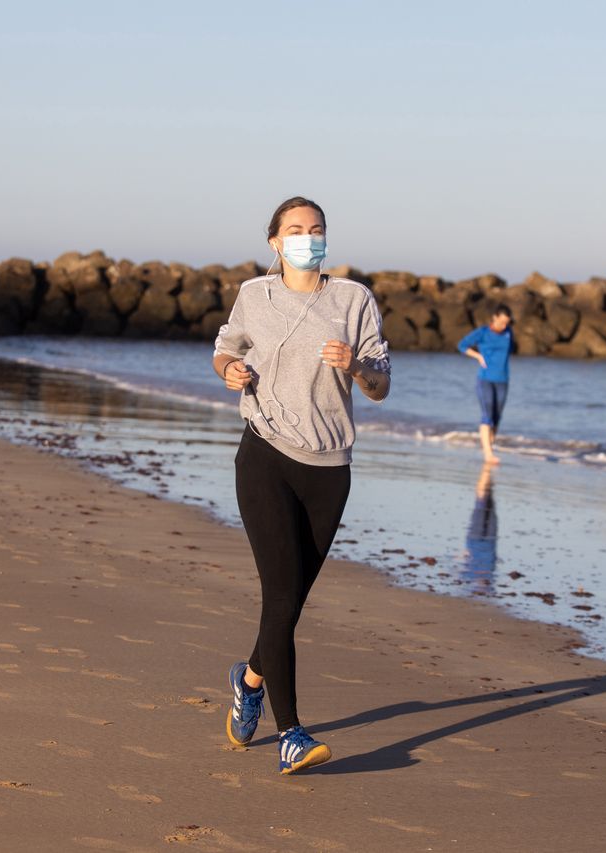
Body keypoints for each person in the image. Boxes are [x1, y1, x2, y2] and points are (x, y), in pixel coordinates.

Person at [211, 196, 391, 774]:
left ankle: (250, 678)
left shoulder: (353, 299)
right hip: (264, 452)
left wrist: (357, 368)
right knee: (281, 594)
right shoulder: (253, 295)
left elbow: (382, 383)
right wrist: (231, 371)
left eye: (315, 229)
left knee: (290, 603)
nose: (306, 237)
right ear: (274, 242)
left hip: (329, 467)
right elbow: (224, 350)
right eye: (295, 230)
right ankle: (291, 733)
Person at [458, 305, 513, 464]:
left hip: (503, 379)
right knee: (487, 415)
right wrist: (478, 356)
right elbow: (462, 346)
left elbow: (510, 350)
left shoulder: (509, 333)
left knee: (497, 418)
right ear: (494, 317)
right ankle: (488, 454)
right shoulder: (482, 332)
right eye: (502, 322)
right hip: (485, 379)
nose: (504, 326)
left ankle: (487, 446)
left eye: (507, 323)